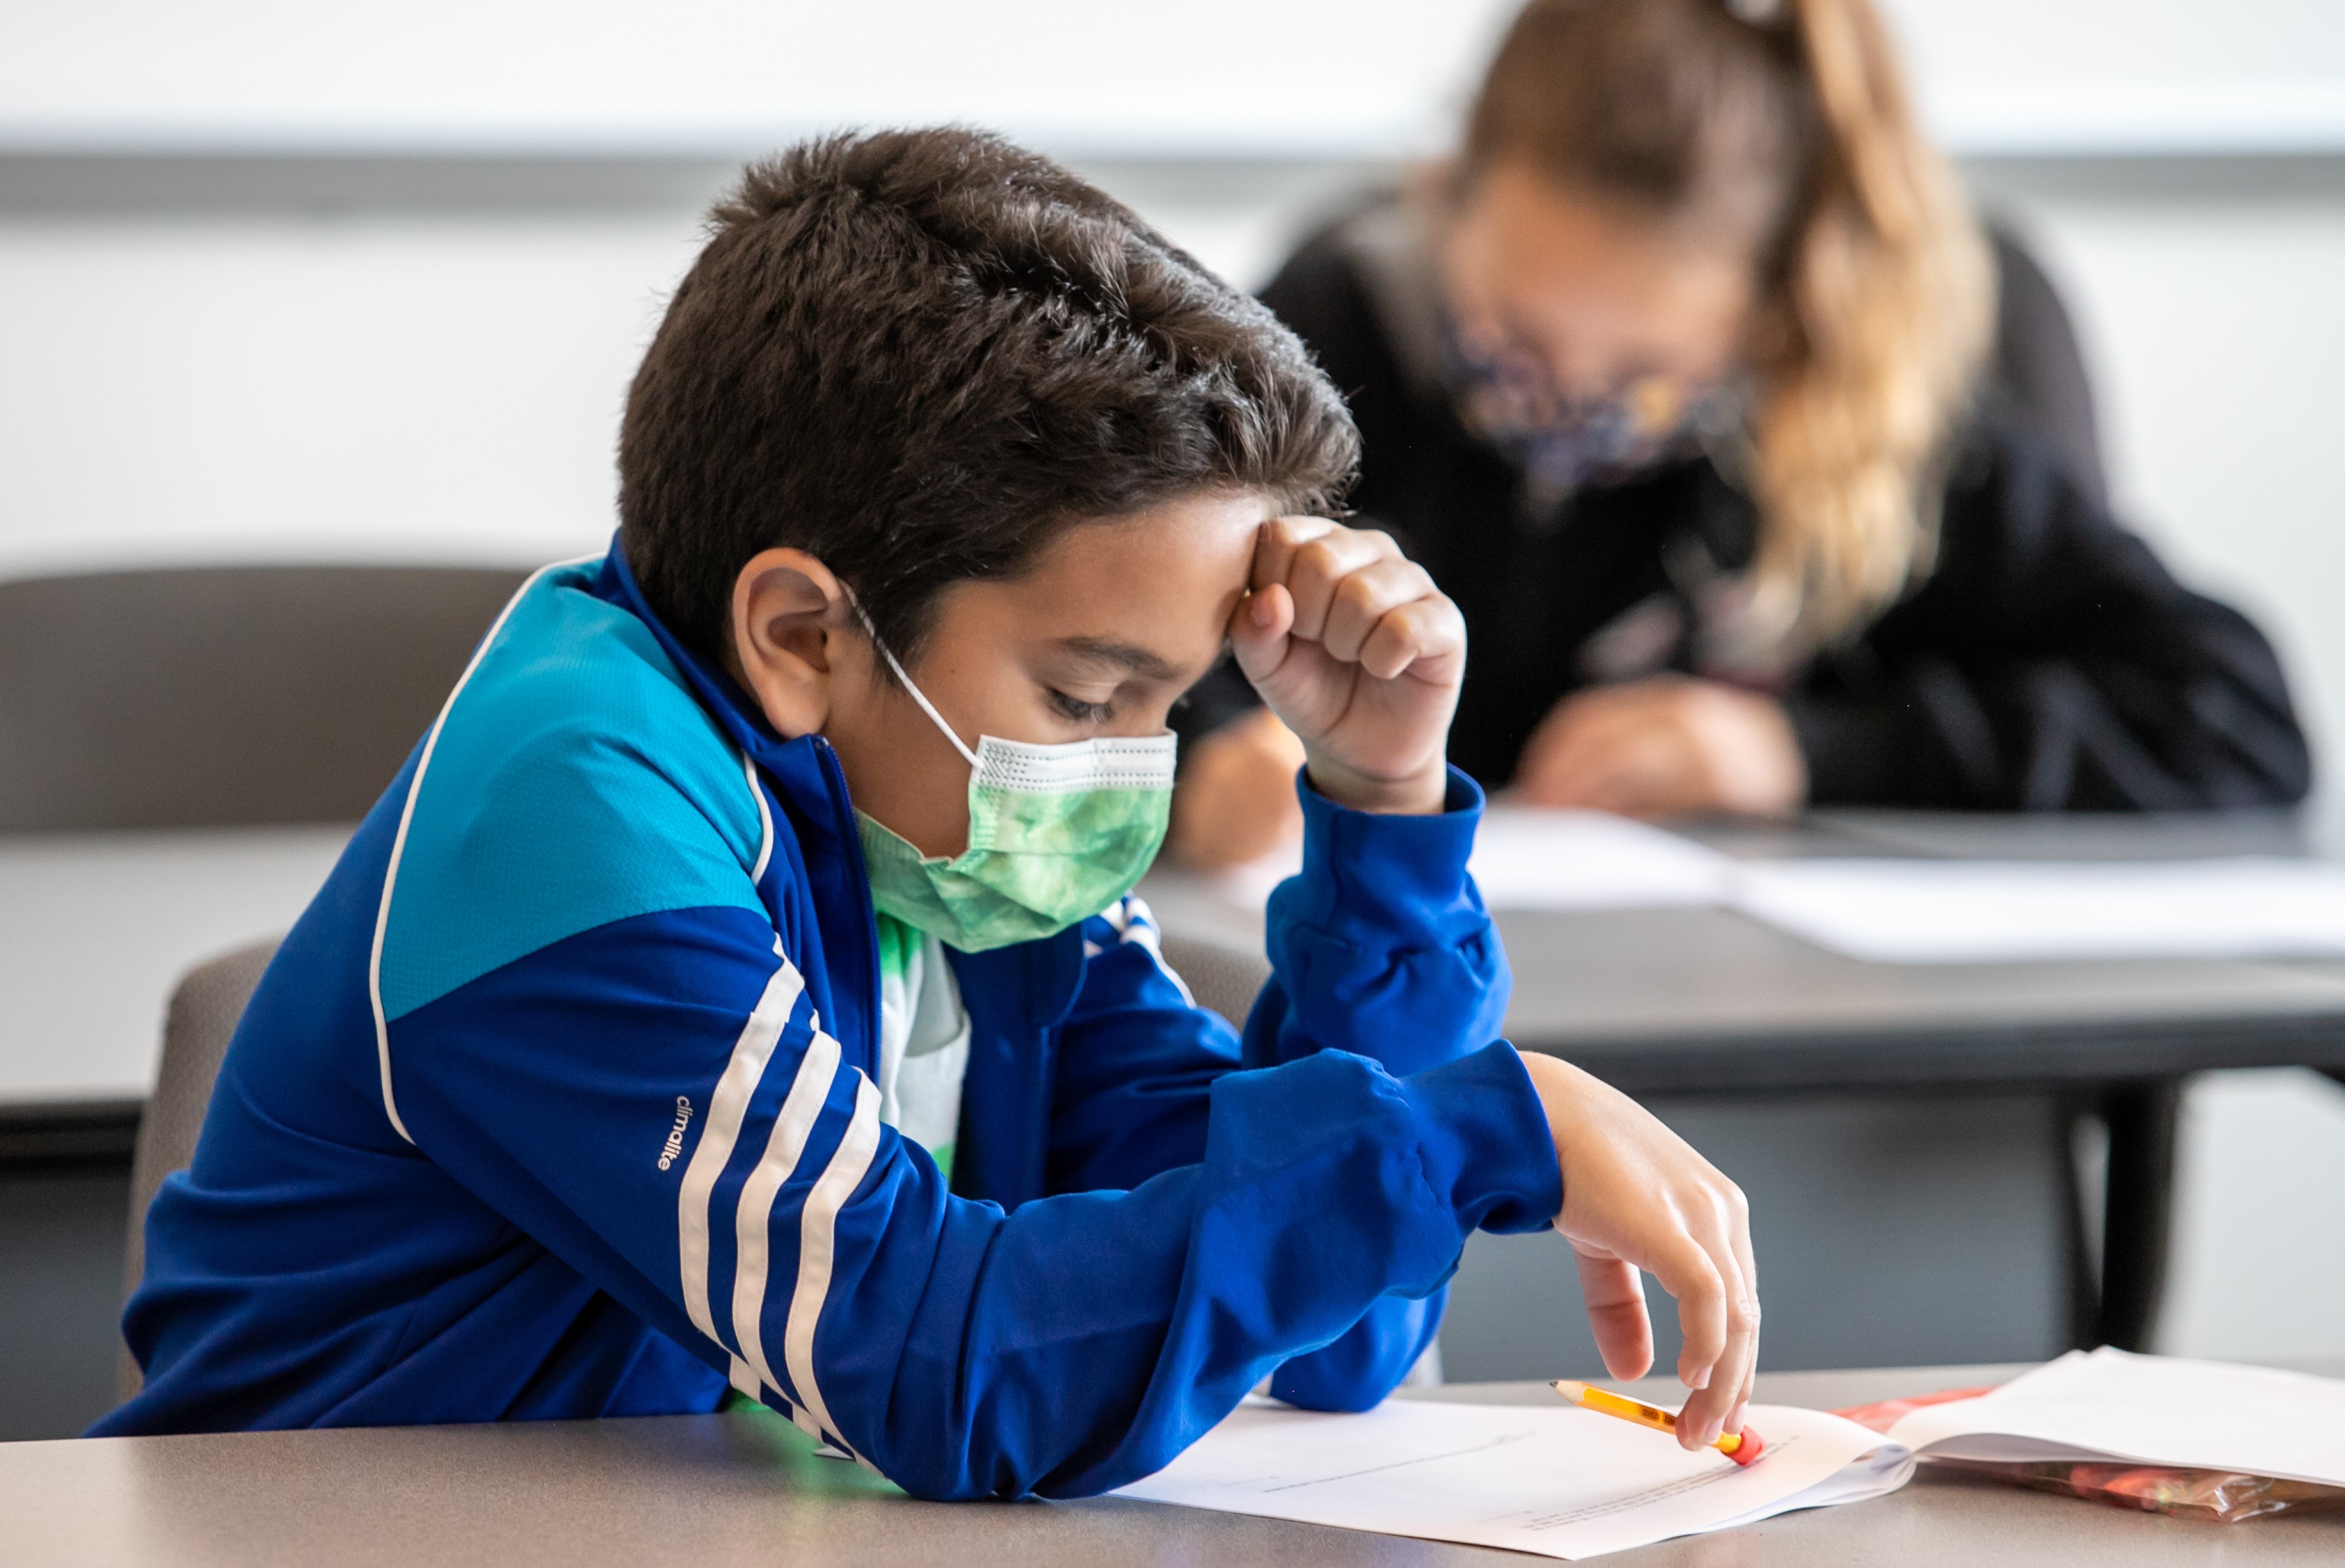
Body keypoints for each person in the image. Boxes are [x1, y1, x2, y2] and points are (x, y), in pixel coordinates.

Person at [96, 130, 1760, 1498]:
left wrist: (1380, 801)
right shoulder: (574, 815)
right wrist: (1473, 1132)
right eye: (1088, 695)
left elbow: (1320, 1333)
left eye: (1168, 704)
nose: (1130, 765)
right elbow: (950, 1366)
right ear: (806, 636)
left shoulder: (953, 826)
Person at [1169, 0, 2309, 868]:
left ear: (1771, 321)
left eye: (1644, 378)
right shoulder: (1326, 334)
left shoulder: (1870, 418)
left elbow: (2231, 717)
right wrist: (1208, 761)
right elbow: (1108, 624)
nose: (1562, 404)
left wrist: (1799, 752)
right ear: (1443, 204)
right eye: (1512, 338)